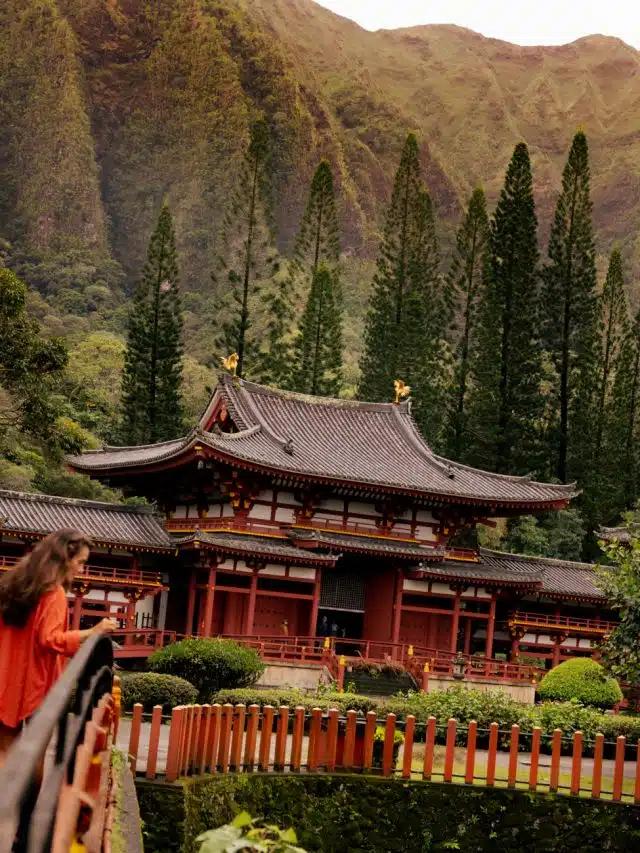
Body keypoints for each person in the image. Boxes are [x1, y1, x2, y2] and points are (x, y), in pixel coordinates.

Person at [0, 530, 117, 768]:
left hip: (5, 675)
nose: (82, 569)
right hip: (35, 681)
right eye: (80, 562)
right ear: (65, 558)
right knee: (34, 758)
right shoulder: (54, 592)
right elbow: (49, 638)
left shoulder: (14, 583)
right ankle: (26, 806)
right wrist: (93, 631)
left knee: (5, 753)